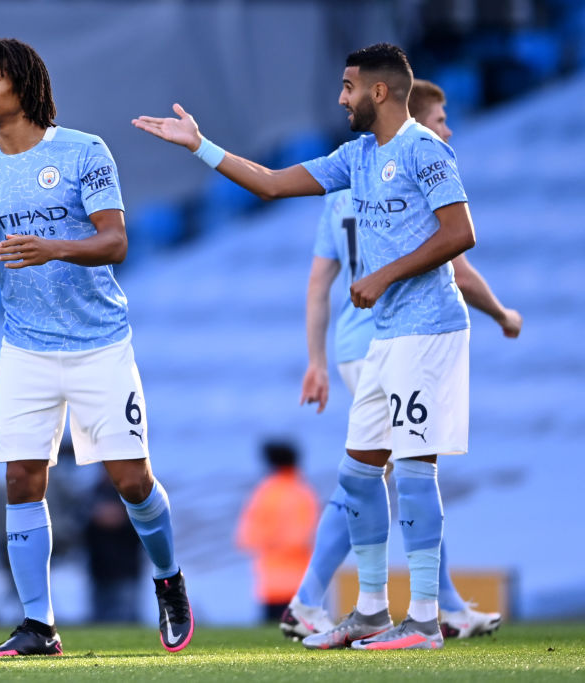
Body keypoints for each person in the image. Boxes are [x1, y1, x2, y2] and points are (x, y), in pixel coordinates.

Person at [134, 42, 476, 650]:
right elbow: (268, 183)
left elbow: (460, 232)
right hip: (387, 336)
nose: (339, 98)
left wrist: (383, 273)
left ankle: (424, 619)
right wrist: (200, 145)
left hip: (428, 328)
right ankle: (371, 609)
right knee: (359, 474)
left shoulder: (426, 150)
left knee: (415, 470)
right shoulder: (358, 157)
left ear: (378, 91)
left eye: (347, 87)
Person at [0, 38, 193, 657]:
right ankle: (38, 626)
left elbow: (116, 242)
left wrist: (53, 247)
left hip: (101, 344)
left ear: (22, 85)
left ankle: (169, 578)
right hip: (25, 349)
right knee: (22, 479)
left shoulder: (82, 151)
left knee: (131, 481)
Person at [282, 77, 520, 642]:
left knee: (373, 476)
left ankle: (414, 606)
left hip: (354, 345)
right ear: (410, 110)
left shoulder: (345, 186)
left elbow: (319, 282)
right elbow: (456, 262)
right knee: (395, 475)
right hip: (396, 338)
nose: (447, 130)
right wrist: (504, 314)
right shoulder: (399, 167)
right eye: (440, 119)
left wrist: (316, 357)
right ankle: (337, 599)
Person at [235, 441, 319, 623]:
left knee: (271, 636)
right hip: (300, 583)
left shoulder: (264, 493)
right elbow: (302, 537)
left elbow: (246, 538)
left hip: (270, 584)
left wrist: (270, 540)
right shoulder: (302, 492)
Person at [84, 471, 145, 623]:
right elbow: (80, 524)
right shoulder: (93, 493)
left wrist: (122, 518)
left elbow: (144, 528)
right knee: (100, 619)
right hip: (99, 568)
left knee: (126, 617)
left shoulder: (133, 493)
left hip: (126, 568)